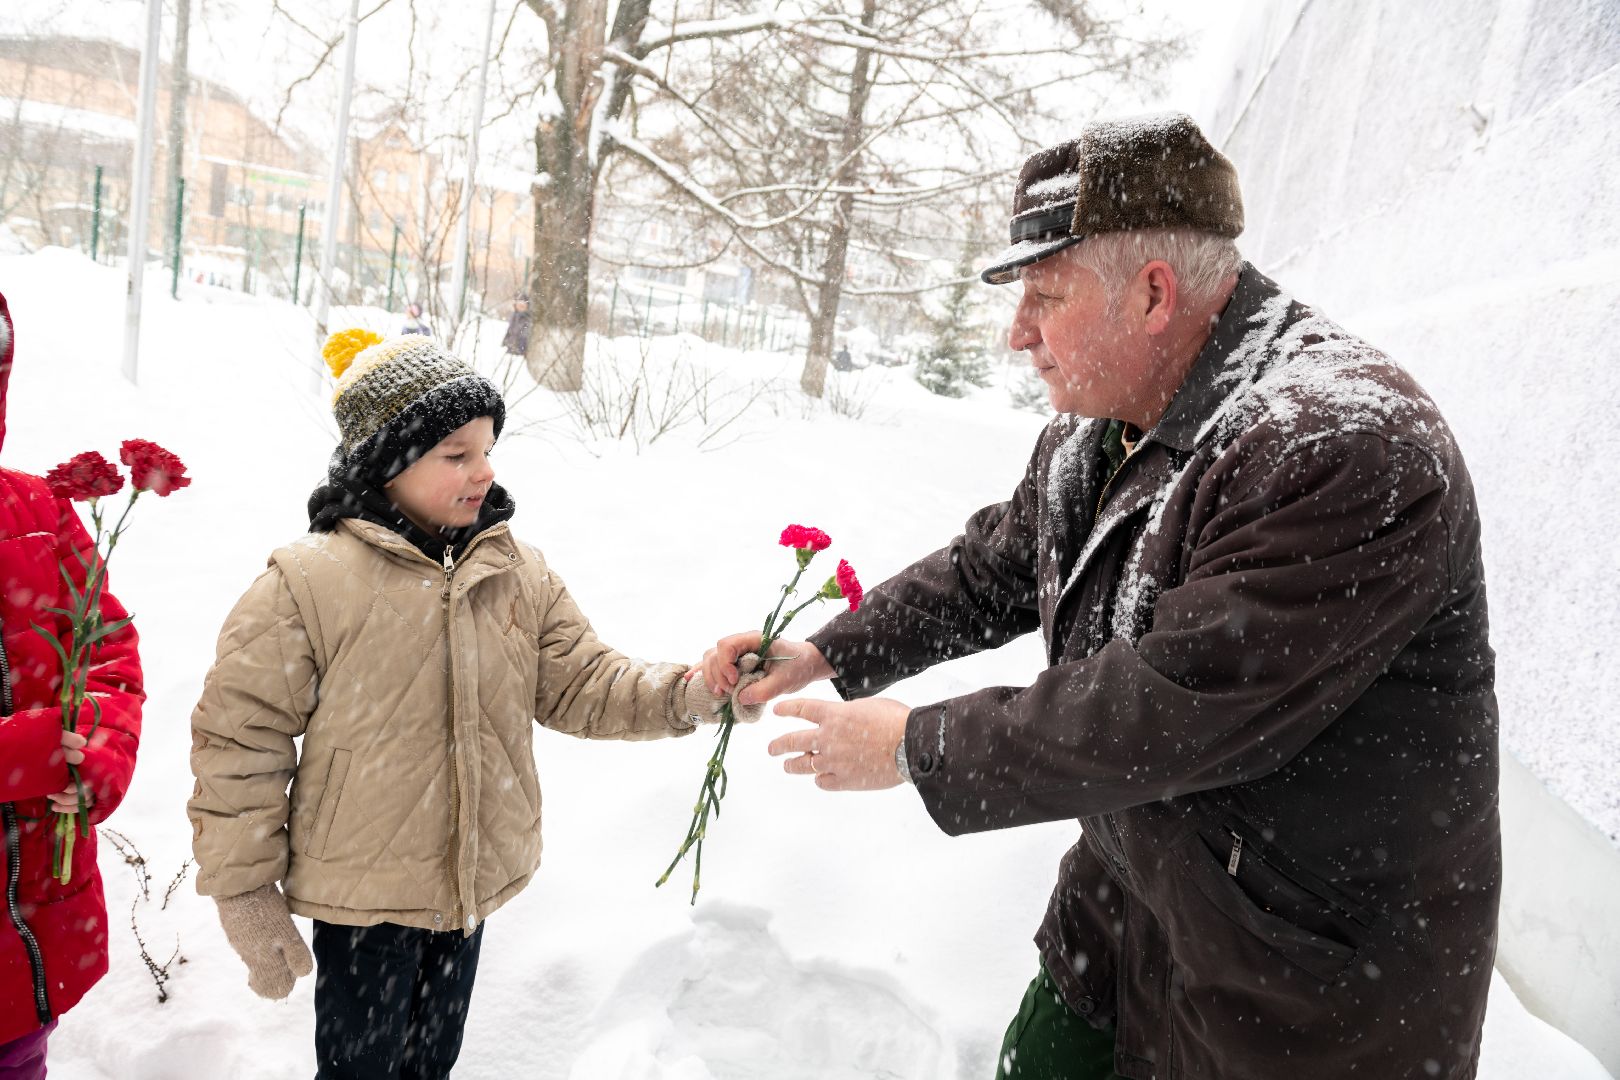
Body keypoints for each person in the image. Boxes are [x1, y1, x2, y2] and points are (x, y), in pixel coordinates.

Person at [702, 114, 1499, 1080]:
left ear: (1154, 294)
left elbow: (1164, 709)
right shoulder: (1105, 426)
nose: (1017, 334)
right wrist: (827, 651)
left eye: (1045, 295)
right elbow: (997, 564)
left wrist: (918, 746)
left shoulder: (1342, 447)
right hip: (1122, 925)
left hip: (1292, 1004)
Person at [187, 329, 759, 1079]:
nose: (483, 471)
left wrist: (694, 692)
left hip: (465, 889)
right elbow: (239, 744)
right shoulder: (308, 584)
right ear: (385, 464)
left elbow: (585, 682)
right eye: (456, 454)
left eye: (488, 449)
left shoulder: (514, 571)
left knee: (431, 1066)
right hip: (363, 903)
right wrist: (243, 889)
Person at [0, 291, 144, 1079]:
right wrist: (22, 754)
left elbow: (109, 650)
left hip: (26, 944)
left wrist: (97, 749)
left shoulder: (34, 510)